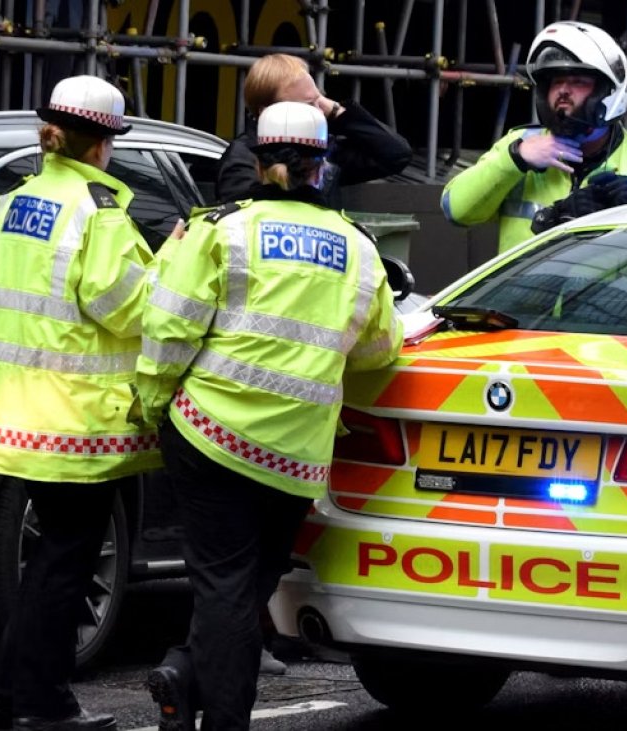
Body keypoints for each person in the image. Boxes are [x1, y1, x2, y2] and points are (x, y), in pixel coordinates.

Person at [136, 101, 402, 731]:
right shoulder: (358, 247)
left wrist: (154, 407)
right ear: (322, 166)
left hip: (209, 435)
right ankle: (188, 674)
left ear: (256, 160)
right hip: (295, 454)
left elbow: (168, 329)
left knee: (223, 585)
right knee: (249, 583)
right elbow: (378, 349)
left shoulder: (218, 229)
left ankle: (215, 710)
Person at [0, 74, 163, 731]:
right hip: (76, 419)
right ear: (102, 143)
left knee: (52, 558)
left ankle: (5, 697)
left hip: (13, 414)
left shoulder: (11, 204)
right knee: (64, 565)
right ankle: (44, 704)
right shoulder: (98, 213)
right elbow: (129, 305)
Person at [442, 20, 627, 254]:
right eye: (556, 81)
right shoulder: (518, 145)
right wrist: (514, 160)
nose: (562, 90)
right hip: (520, 302)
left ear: (608, 91)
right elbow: (456, 210)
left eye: (577, 81)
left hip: (612, 303)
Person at [216, 53, 412, 207]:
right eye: (308, 105)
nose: (319, 112)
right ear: (268, 112)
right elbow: (238, 226)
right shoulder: (242, 158)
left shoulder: (319, 147)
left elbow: (396, 154)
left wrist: (336, 111)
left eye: (320, 100)